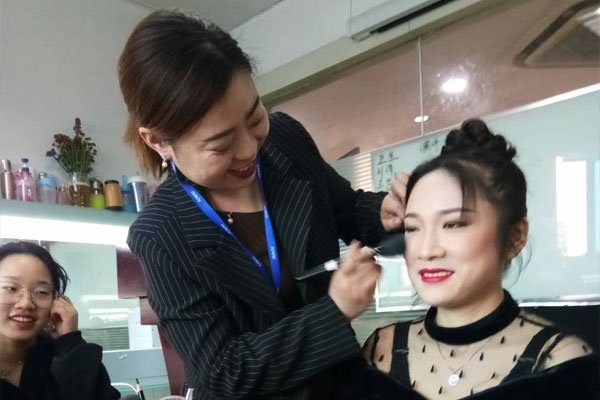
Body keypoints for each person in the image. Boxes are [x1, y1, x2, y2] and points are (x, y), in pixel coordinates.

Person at [118, 10, 407, 400]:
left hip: (340, 385)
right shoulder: (160, 234)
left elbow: (345, 208)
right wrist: (334, 310)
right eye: (220, 144)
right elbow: (223, 372)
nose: (248, 149)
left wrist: (384, 212)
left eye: (255, 118)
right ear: (157, 141)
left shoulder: (284, 141)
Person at [349, 119, 598, 399]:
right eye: (413, 228)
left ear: (515, 237)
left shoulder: (564, 364)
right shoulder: (380, 349)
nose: (426, 250)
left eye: (453, 224)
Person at [0, 241, 121, 400]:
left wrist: (69, 342)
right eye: (10, 288)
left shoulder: (66, 356)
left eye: (41, 292)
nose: (26, 303)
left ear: (56, 301)